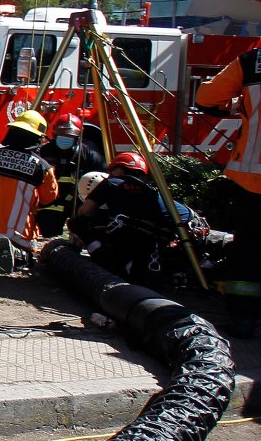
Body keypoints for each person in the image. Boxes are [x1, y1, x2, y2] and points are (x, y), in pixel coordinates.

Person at [196, 53, 261, 336]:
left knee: (248, 252)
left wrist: (238, 105)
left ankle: (243, 321)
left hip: (254, 180)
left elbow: (206, 98)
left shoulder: (253, 62)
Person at [70, 152, 191, 286]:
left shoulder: (111, 183)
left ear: (118, 170)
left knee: (78, 223)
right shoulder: (151, 190)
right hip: (162, 241)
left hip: (135, 240)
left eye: (112, 171)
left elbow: (83, 212)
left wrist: (80, 236)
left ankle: (106, 261)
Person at [0, 110, 59, 273]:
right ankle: (16, 254)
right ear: (37, 138)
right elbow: (49, 198)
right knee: (26, 257)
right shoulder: (42, 167)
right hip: (18, 233)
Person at [35, 113, 106, 238]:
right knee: (47, 232)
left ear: (78, 136)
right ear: (55, 133)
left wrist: (88, 205)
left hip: (77, 203)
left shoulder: (89, 154)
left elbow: (102, 181)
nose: (65, 138)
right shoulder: (44, 152)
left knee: (83, 233)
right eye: (62, 135)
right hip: (50, 204)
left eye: (70, 136)